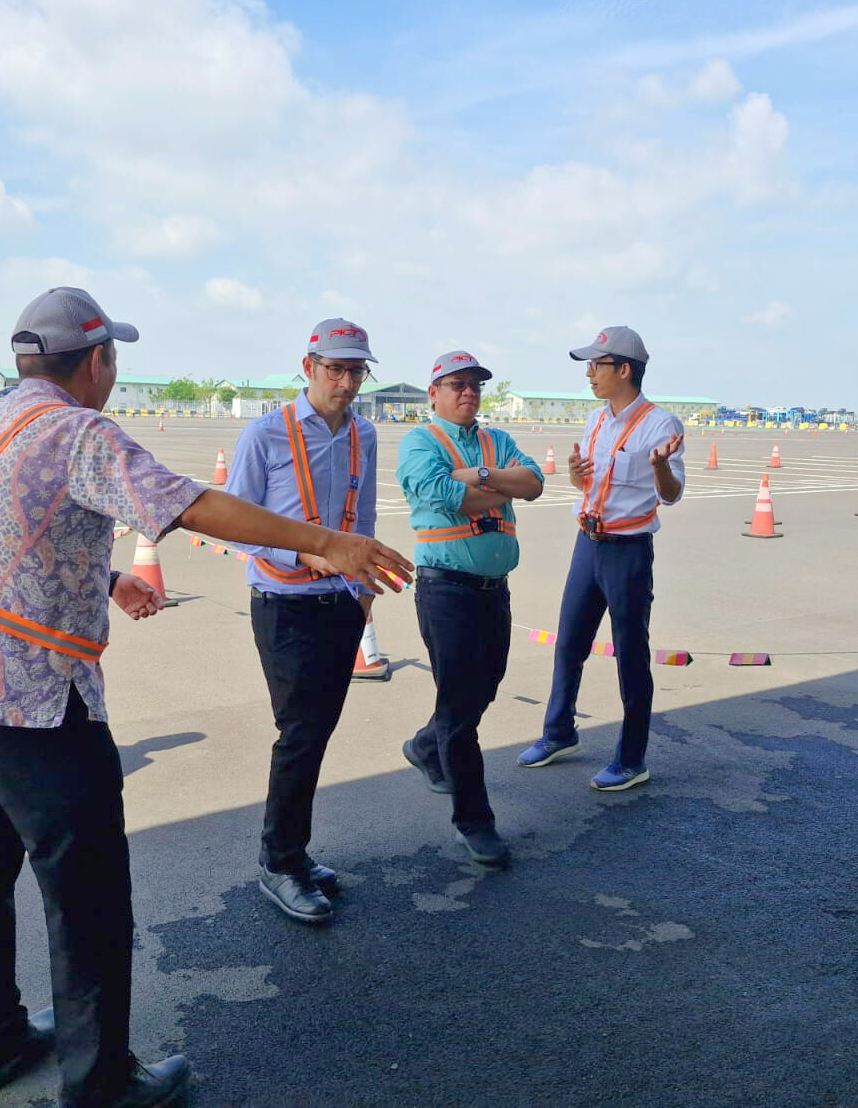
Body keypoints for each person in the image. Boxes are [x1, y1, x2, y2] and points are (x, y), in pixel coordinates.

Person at [0, 289, 411, 1108]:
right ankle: (101, 1083)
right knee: (87, 894)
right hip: (33, 696)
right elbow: (187, 502)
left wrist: (103, 574)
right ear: (98, 359)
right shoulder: (78, 430)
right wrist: (327, 540)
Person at [225, 318, 383, 924]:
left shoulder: (363, 434)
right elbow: (234, 524)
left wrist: (363, 593)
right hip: (284, 603)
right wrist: (305, 554)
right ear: (309, 367)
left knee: (317, 732)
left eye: (356, 371)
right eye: (335, 369)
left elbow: (363, 519)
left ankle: (294, 851)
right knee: (298, 733)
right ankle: (280, 861)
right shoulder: (266, 433)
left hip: (341, 603)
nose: (346, 382)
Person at [517, 326, 684, 792]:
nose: (589, 373)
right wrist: (576, 475)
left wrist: (659, 468)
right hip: (587, 543)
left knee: (630, 655)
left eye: (597, 364)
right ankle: (559, 733)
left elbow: (671, 495)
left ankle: (631, 760)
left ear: (624, 370)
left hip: (627, 551)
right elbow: (589, 484)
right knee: (569, 642)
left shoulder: (660, 425)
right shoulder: (595, 421)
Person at [397, 351, 542, 866]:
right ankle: (474, 821)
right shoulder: (420, 441)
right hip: (446, 590)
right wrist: (498, 486)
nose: (468, 393)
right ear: (433, 392)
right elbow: (441, 494)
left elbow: (534, 483)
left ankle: (424, 745)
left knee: (486, 685)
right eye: (457, 384)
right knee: (461, 707)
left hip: (493, 589)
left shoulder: (496, 439)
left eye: (475, 385)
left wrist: (477, 476)